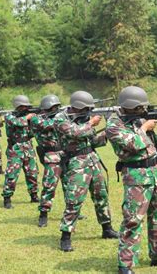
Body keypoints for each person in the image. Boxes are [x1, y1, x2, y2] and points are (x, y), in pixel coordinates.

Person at [106, 86, 157, 274]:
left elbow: (154, 144)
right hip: (136, 176)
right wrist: (144, 128)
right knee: (133, 220)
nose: (143, 111)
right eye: (139, 108)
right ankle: (125, 264)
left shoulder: (139, 118)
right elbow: (134, 145)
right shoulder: (114, 124)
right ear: (129, 107)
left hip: (156, 172)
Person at [56, 91, 118, 252]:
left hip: (92, 159)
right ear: (78, 107)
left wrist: (107, 131)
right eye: (86, 109)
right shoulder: (60, 118)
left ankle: (107, 228)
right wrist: (91, 123)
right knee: (74, 199)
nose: (88, 112)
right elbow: (74, 133)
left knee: (101, 195)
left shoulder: (83, 120)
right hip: (76, 162)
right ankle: (66, 235)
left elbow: (93, 141)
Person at [30, 95, 66, 227]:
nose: (56, 109)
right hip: (51, 154)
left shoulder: (59, 117)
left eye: (57, 107)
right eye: (53, 107)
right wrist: (63, 117)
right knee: (49, 185)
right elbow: (51, 125)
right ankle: (43, 214)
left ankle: (72, 211)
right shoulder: (36, 119)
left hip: (65, 153)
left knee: (69, 185)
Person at [1, 95, 39, 209]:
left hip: (28, 147)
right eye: (23, 106)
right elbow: (17, 123)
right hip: (15, 149)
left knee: (32, 173)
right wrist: (28, 117)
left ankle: (34, 195)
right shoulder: (9, 116)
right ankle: (7, 198)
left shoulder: (29, 117)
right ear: (17, 106)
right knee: (12, 175)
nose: (25, 108)